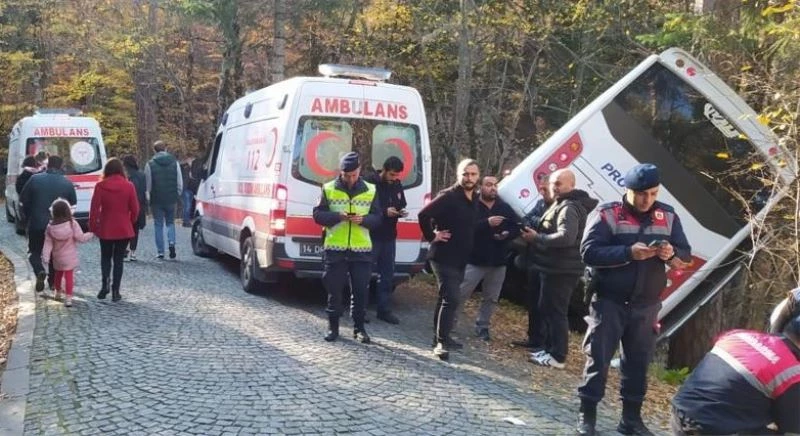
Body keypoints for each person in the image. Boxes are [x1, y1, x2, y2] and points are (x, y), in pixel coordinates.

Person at [576, 163, 691, 436]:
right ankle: (587, 416)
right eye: (641, 194)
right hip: (609, 301)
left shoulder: (668, 216)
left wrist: (671, 255)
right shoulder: (607, 213)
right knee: (598, 359)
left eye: (652, 193)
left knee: (638, 363)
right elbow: (589, 252)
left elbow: (685, 257)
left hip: (647, 306)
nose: (646, 200)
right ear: (627, 190)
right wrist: (628, 253)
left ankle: (631, 421)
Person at [670, 287, 800, 435]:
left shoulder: (738, 336)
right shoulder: (791, 373)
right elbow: (793, 430)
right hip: (713, 430)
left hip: (680, 416)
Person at [521, 169, 598, 369]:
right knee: (547, 308)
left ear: (571, 186)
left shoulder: (569, 207)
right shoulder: (562, 204)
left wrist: (537, 238)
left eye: (559, 184)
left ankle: (558, 356)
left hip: (561, 270)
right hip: (554, 267)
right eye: (553, 183)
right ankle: (548, 350)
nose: (554, 188)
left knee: (556, 312)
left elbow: (566, 237)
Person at [313, 151, 381, 344]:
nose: (351, 179)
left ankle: (359, 329)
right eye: (346, 175)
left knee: (360, 291)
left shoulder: (371, 190)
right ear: (340, 172)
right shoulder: (328, 188)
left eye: (354, 175)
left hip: (361, 250)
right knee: (334, 291)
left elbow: (378, 218)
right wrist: (337, 216)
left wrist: (364, 220)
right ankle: (332, 328)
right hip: (335, 248)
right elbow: (317, 215)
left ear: (359, 170)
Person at [418, 159, 480, 360]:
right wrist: (432, 235)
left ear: (477, 176)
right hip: (443, 256)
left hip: (461, 258)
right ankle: (441, 343)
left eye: (472, 174)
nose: (469, 178)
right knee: (451, 298)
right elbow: (423, 214)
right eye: (465, 174)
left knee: (446, 298)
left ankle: (439, 336)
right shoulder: (448, 196)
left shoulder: (474, 198)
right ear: (458, 174)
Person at [454, 175, 519, 341]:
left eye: (495, 185)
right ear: (480, 187)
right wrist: (487, 223)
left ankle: (483, 327)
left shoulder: (503, 207)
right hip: (475, 259)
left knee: (491, 298)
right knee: (461, 292)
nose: (493, 188)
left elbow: (517, 226)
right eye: (489, 185)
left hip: (498, 261)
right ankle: (450, 322)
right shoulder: (472, 204)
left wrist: (507, 234)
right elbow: (464, 227)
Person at [20, 155, 77, 293]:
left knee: (34, 252)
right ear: (61, 166)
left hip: (37, 223)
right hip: (56, 224)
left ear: (48, 164)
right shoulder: (67, 183)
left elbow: (23, 201)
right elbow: (73, 205)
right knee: (54, 255)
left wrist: (27, 218)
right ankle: (52, 283)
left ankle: (39, 270)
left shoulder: (34, 179)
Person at [89, 158, 140, 302]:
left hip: (106, 227)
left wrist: (93, 226)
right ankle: (116, 291)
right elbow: (135, 209)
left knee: (105, 257)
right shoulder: (129, 186)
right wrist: (130, 222)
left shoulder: (100, 186)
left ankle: (104, 284)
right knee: (119, 260)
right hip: (123, 228)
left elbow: (94, 210)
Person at [511, 180, 554, 348]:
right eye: (540, 188)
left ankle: (546, 342)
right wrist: (540, 225)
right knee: (533, 301)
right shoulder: (540, 203)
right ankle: (534, 338)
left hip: (550, 262)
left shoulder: (563, 208)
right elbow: (526, 220)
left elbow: (553, 230)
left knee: (547, 305)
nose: (541, 191)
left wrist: (538, 227)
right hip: (534, 258)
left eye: (545, 188)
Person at [368, 156, 408, 325]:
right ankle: (359, 310)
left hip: (389, 236)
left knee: (387, 276)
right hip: (372, 235)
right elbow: (365, 206)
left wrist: (400, 211)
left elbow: (401, 202)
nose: (394, 178)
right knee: (364, 275)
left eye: (397, 176)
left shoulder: (397, 184)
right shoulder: (370, 183)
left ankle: (383, 310)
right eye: (391, 175)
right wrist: (385, 212)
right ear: (383, 170)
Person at [41, 198, 95, 307]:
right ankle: (69, 298)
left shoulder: (50, 227)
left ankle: (57, 293)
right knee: (69, 276)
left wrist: (45, 257)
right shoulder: (72, 224)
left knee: (58, 275)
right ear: (68, 211)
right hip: (70, 257)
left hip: (57, 258)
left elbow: (48, 244)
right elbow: (81, 238)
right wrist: (91, 234)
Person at [144, 140, 182, 260]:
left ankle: (160, 251)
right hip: (171, 198)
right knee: (170, 223)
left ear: (154, 150)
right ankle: (171, 243)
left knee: (158, 224)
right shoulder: (175, 163)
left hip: (157, 199)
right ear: (165, 149)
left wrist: (148, 198)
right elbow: (179, 182)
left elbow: (148, 185)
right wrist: (177, 194)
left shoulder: (149, 164)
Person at [122, 155, 147, 261]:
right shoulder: (142, 175)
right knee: (135, 230)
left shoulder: (126, 176)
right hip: (140, 205)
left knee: (125, 230)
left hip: (127, 206)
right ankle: (133, 252)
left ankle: (123, 250)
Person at [180, 157, 193, 227]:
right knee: (187, 205)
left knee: (188, 205)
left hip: (190, 188)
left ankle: (186, 220)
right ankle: (186, 221)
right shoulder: (184, 167)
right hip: (185, 188)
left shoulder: (193, 167)